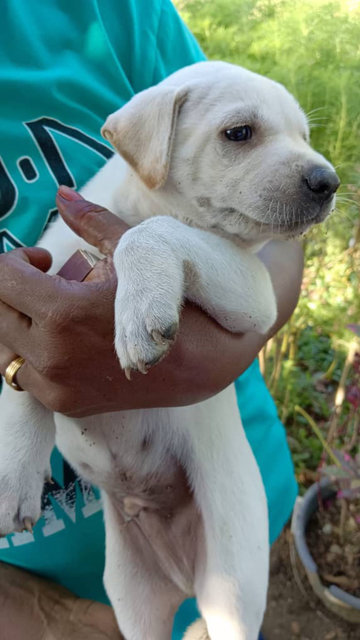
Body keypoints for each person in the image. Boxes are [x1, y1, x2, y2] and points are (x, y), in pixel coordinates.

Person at [0, 0, 302, 637]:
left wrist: (157, 248)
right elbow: (24, 339)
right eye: (241, 135)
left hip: (216, 491)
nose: (317, 171)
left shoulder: (110, 11)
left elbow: (264, 281)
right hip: (71, 573)